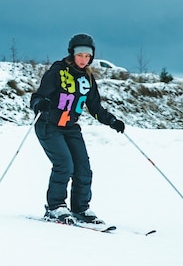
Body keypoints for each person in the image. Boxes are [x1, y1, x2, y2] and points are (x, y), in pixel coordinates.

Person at [30, 33, 125, 224]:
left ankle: (81, 208)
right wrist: (40, 103)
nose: (84, 59)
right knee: (64, 164)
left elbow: (95, 107)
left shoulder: (88, 79)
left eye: (87, 56)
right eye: (80, 55)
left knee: (83, 169)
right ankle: (55, 207)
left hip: (70, 127)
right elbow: (38, 96)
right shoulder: (58, 71)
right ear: (72, 53)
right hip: (49, 125)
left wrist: (112, 121)